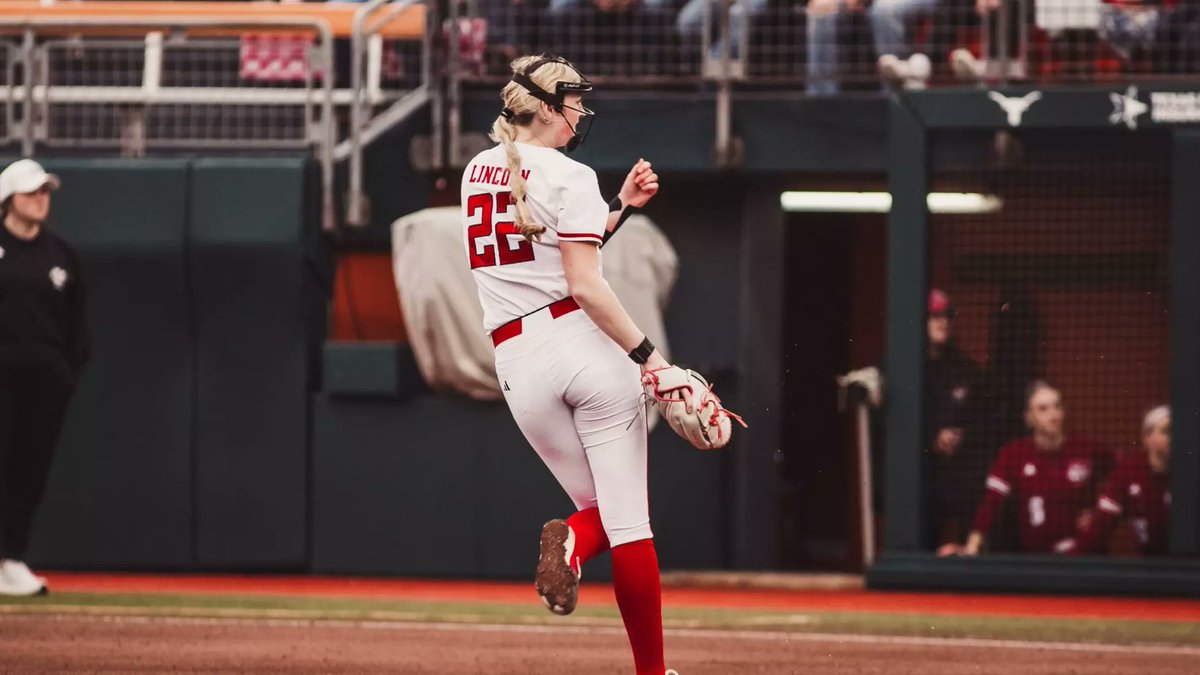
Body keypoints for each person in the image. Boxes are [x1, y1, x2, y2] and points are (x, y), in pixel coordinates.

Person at [461, 54, 678, 675]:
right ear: (548, 108)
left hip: (517, 362)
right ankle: (649, 668)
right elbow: (582, 283)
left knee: (602, 511)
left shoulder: (478, 170)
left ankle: (576, 541)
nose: (581, 112)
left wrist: (622, 206)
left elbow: (558, 248)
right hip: (582, 347)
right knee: (628, 524)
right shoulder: (571, 174)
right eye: (575, 101)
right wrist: (653, 359)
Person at [0, 159, 89, 596]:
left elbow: (77, 324)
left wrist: (66, 374)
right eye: (31, 192)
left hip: (45, 384)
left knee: (28, 471)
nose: (40, 200)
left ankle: (10, 559)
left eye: (45, 192)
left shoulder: (62, 254)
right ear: (7, 199)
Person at [949, 380, 1112, 556]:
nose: (1053, 415)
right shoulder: (1014, 454)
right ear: (1029, 418)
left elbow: (1124, 476)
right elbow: (991, 503)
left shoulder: (1086, 450)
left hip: (1082, 557)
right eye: (1043, 409)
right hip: (1038, 559)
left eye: (1057, 406)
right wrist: (973, 544)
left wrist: (1099, 514)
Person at [923, 289, 983, 549]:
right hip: (921, 472)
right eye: (935, 316)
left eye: (947, 315)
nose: (943, 321)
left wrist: (963, 435)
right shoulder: (903, 367)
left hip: (960, 471)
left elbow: (985, 418)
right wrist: (931, 438)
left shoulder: (966, 370)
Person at [1074, 405, 1171, 556]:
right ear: (1147, 438)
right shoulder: (1129, 471)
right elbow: (1101, 525)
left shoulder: (1191, 471)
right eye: (1166, 431)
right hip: (1150, 562)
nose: (1174, 437)